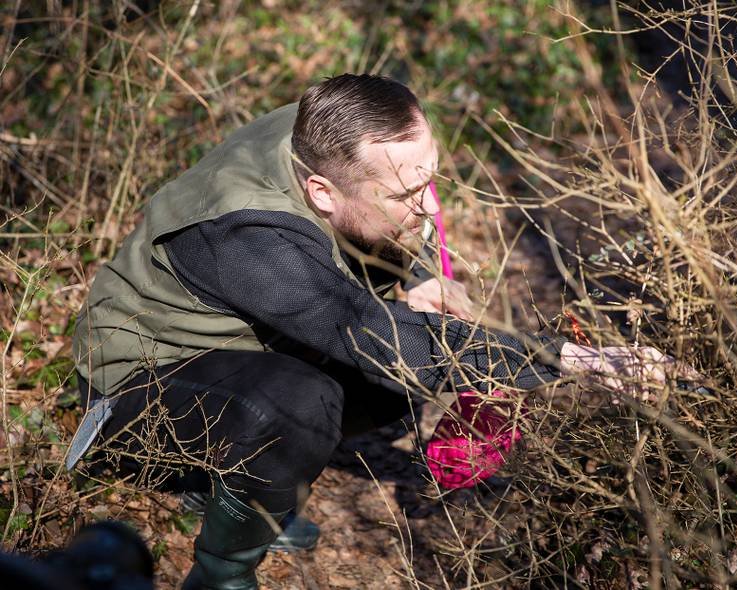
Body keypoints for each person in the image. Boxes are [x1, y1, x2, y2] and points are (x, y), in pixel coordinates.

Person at [70, 74, 698, 590]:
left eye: (432, 178)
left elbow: (397, 208)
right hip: (142, 388)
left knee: (392, 387)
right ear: (320, 190)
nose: (429, 207)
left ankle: (244, 485)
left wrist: (418, 271)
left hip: (254, 344)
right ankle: (220, 573)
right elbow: (377, 337)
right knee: (306, 401)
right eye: (408, 192)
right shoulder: (246, 236)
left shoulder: (333, 132)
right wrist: (566, 358)